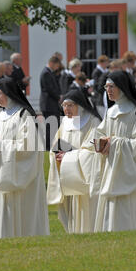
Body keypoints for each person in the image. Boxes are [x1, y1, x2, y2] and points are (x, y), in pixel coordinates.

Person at [88, 70, 136, 232]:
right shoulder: (112, 112)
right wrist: (98, 143)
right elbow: (100, 133)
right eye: (106, 87)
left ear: (123, 87)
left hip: (128, 174)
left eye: (112, 87)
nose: (108, 90)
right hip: (112, 169)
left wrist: (114, 143)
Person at [0, 77, 49, 239]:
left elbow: (28, 147)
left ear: (10, 93)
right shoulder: (0, 116)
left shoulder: (24, 114)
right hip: (1, 169)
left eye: (0, 93)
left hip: (18, 172)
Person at [47, 87, 102, 233]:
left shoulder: (93, 122)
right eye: (64, 106)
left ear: (80, 105)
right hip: (67, 173)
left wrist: (70, 156)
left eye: (70, 105)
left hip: (83, 175)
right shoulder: (65, 122)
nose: (66, 109)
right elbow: (55, 144)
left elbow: (93, 151)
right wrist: (57, 155)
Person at [40, 55, 62, 150]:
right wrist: (59, 97)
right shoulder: (46, 73)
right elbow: (49, 88)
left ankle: (53, 145)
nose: (57, 68)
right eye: (57, 65)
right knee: (50, 127)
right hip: (49, 104)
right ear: (52, 63)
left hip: (51, 104)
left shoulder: (49, 72)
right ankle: (48, 147)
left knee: (54, 126)